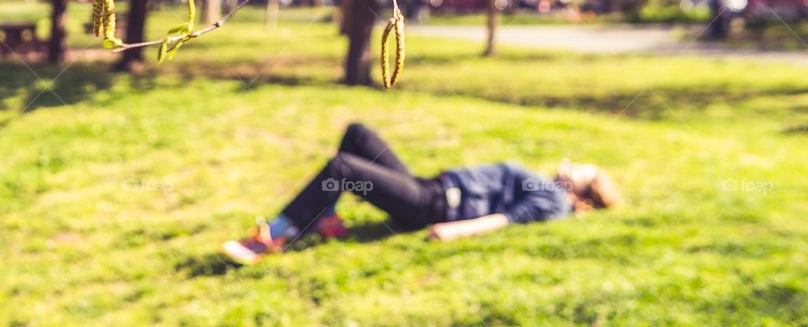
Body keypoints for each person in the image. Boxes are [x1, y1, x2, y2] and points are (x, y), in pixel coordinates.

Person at [223, 122, 621, 265]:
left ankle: (275, 234)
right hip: (431, 187)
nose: (572, 162)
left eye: (582, 168)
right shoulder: (550, 189)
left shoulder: (553, 200)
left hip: (431, 207)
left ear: (582, 190)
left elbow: (507, 219)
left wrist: (455, 231)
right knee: (358, 134)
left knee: (342, 167)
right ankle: (322, 218)